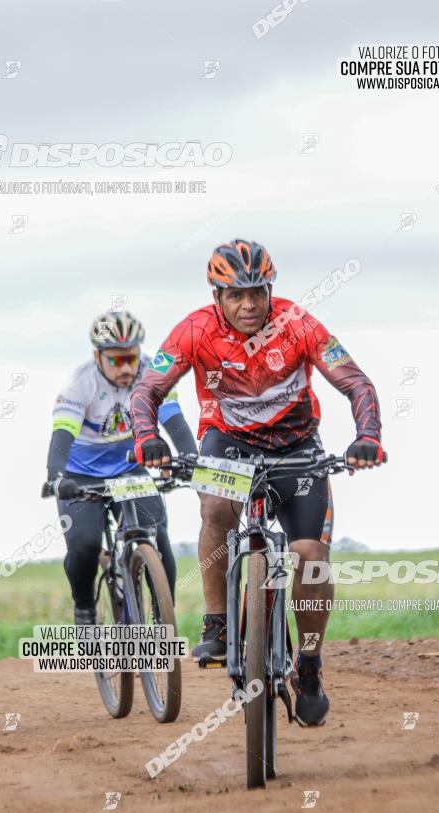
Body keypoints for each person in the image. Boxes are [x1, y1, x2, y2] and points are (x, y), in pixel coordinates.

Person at [130, 240, 385, 726]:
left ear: (271, 290)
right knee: (215, 508)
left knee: (310, 557)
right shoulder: (194, 330)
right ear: (217, 296)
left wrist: (366, 436)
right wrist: (149, 437)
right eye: (235, 295)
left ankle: (308, 664)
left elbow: (356, 383)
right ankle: (219, 624)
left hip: (297, 449)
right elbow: (148, 388)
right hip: (228, 444)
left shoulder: (299, 324)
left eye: (258, 293)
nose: (249, 305)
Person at [46, 310, 197, 626]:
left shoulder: (153, 373)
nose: (127, 367)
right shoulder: (79, 384)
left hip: (129, 470)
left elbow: (174, 421)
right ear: (98, 356)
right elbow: (61, 437)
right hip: (81, 475)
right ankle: (85, 607)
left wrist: (190, 457)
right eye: (116, 360)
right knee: (85, 544)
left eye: (132, 357)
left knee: (157, 533)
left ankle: (162, 620)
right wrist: (57, 476)